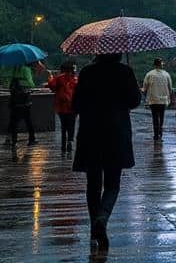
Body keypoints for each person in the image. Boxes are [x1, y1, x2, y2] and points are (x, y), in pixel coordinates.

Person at [73, 53, 141, 251]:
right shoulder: (125, 72)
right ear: (119, 53)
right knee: (112, 184)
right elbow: (135, 101)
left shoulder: (87, 72)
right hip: (116, 134)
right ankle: (102, 218)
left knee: (93, 184)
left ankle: (95, 225)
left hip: (90, 134)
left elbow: (75, 104)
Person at [8, 59, 45, 147]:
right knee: (28, 121)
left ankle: (13, 141)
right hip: (24, 101)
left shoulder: (14, 69)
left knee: (14, 122)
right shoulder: (26, 69)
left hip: (14, 102)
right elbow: (31, 84)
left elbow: (10, 84)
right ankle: (31, 139)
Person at [47, 61, 78, 154]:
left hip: (61, 106)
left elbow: (51, 86)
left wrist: (50, 76)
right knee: (72, 124)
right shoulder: (75, 79)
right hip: (73, 106)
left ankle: (63, 145)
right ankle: (70, 141)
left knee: (63, 126)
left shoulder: (59, 78)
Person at [141, 58, 173, 141]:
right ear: (161, 64)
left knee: (155, 117)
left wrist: (143, 91)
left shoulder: (149, 74)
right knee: (161, 116)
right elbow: (170, 88)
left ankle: (156, 134)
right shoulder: (166, 74)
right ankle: (160, 132)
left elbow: (144, 88)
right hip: (163, 100)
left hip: (153, 99)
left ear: (154, 65)